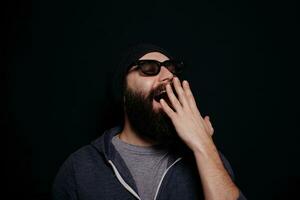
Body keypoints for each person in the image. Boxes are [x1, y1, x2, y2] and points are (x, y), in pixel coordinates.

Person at [53, 43, 246, 200]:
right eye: (149, 68)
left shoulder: (209, 158)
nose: (168, 77)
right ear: (124, 94)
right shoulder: (79, 168)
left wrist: (204, 145)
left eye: (171, 69)